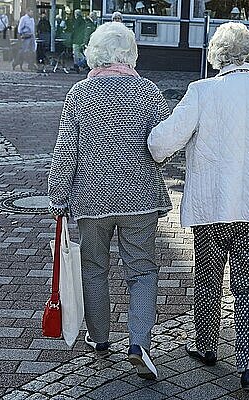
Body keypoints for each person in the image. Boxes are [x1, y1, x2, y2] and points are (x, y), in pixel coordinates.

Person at [147, 22, 249, 392]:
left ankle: (205, 346)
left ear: (217, 56)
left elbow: (161, 144)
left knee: (207, 279)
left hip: (212, 206)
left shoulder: (202, 92)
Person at [48, 21, 171, 381]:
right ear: (130, 54)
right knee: (143, 271)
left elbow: (64, 151)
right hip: (140, 198)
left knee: (94, 269)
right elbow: (162, 145)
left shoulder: (79, 95)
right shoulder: (148, 92)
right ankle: (139, 343)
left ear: (94, 54)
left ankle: (99, 340)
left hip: (91, 199)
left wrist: (58, 195)